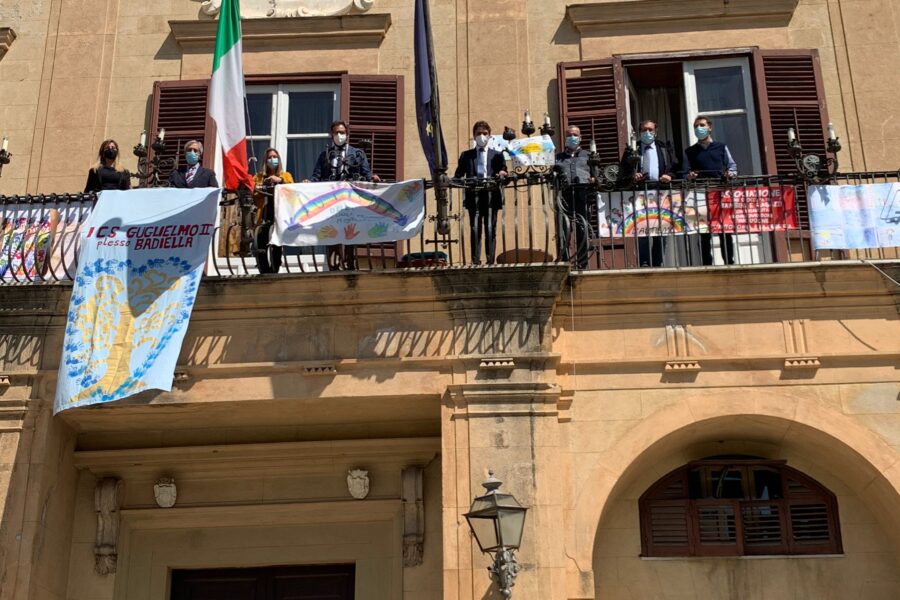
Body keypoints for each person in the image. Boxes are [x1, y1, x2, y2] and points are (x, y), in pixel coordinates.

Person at [310, 120, 379, 270]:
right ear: (331, 135)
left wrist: (373, 178)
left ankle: (349, 265)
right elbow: (316, 177)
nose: (339, 135)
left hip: (350, 201)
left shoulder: (358, 154)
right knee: (332, 232)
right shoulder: (325, 156)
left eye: (342, 132)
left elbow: (367, 175)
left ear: (347, 135)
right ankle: (334, 266)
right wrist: (309, 183)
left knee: (349, 230)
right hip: (330, 201)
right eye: (336, 133)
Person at [619, 120, 676, 267]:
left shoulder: (663, 147)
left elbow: (675, 167)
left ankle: (658, 262)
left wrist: (669, 176)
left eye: (650, 130)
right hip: (640, 194)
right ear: (639, 132)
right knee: (642, 228)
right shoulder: (632, 149)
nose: (647, 133)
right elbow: (623, 172)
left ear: (655, 131)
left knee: (660, 230)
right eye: (644, 130)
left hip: (661, 193)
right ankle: (644, 262)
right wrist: (633, 176)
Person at [682, 115, 738, 265]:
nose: (699, 129)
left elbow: (732, 166)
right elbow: (685, 172)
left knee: (724, 230)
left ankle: (729, 262)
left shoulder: (721, 147)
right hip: (700, 194)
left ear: (710, 127)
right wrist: (690, 175)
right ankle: (706, 263)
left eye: (702, 125)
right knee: (703, 231)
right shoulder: (690, 151)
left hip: (719, 193)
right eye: (696, 126)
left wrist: (730, 175)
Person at [453, 121, 508, 265]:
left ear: (489, 136)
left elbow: (504, 175)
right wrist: (453, 181)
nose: (482, 136)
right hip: (474, 195)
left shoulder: (497, 155)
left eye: (484, 133)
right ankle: (475, 260)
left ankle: (490, 260)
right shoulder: (466, 155)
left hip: (491, 195)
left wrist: (502, 173)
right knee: (475, 229)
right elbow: (458, 176)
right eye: (479, 134)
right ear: (474, 136)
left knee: (491, 228)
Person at [552, 125, 592, 270]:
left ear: (580, 138)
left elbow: (597, 174)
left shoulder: (589, 156)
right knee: (564, 230)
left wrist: (593, 180)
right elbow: (551, 177)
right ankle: (564, 262)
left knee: (582, 230)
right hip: (564, 197)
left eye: (575, 135)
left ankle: (582, 264)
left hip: (583, 195)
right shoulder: (557, 158)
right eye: (569, 135)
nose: (572, 137)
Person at [252, 148, 294, 273]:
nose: (272, 159)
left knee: (276, 244)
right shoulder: (259, 177)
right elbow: (254, 192)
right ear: (265, 161)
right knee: (261, 244)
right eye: (269, 157)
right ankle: (263, 270)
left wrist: (279, 180)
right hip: (263, 214)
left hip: (278, 215)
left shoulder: (285, 175)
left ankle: (275, 269)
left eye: (275, 157)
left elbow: (291, 187)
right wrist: (262, 185)